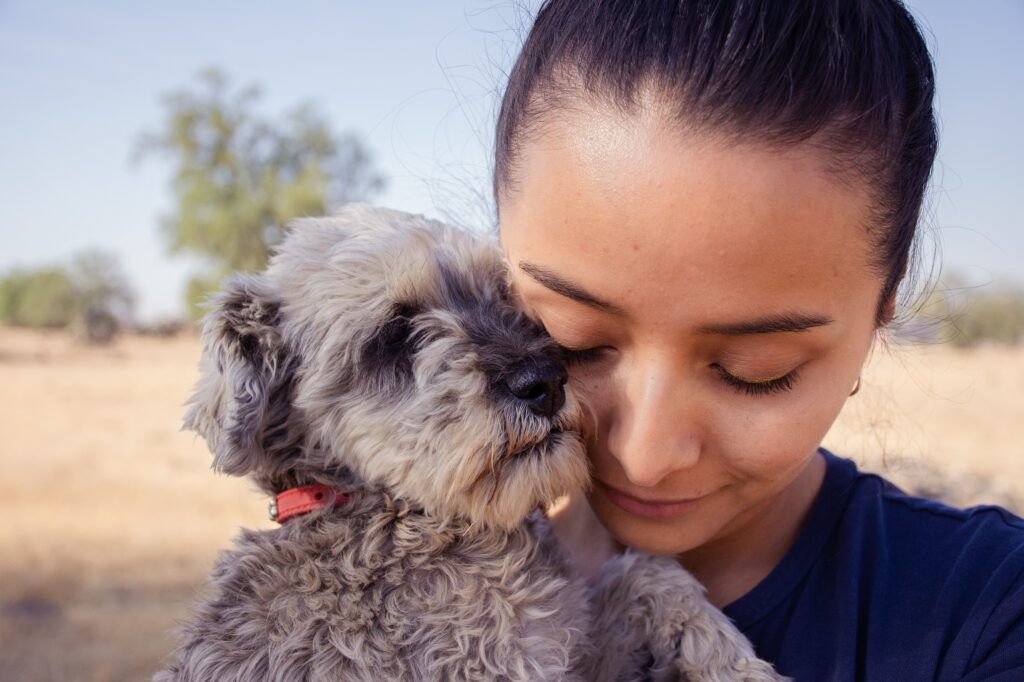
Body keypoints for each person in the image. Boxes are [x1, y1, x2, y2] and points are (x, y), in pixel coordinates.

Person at [492, 1, 1024, 679]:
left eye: (755, 371)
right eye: (571, 341)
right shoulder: (342, 565)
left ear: (878, 317)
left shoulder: (986, 618)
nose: (645, 455)